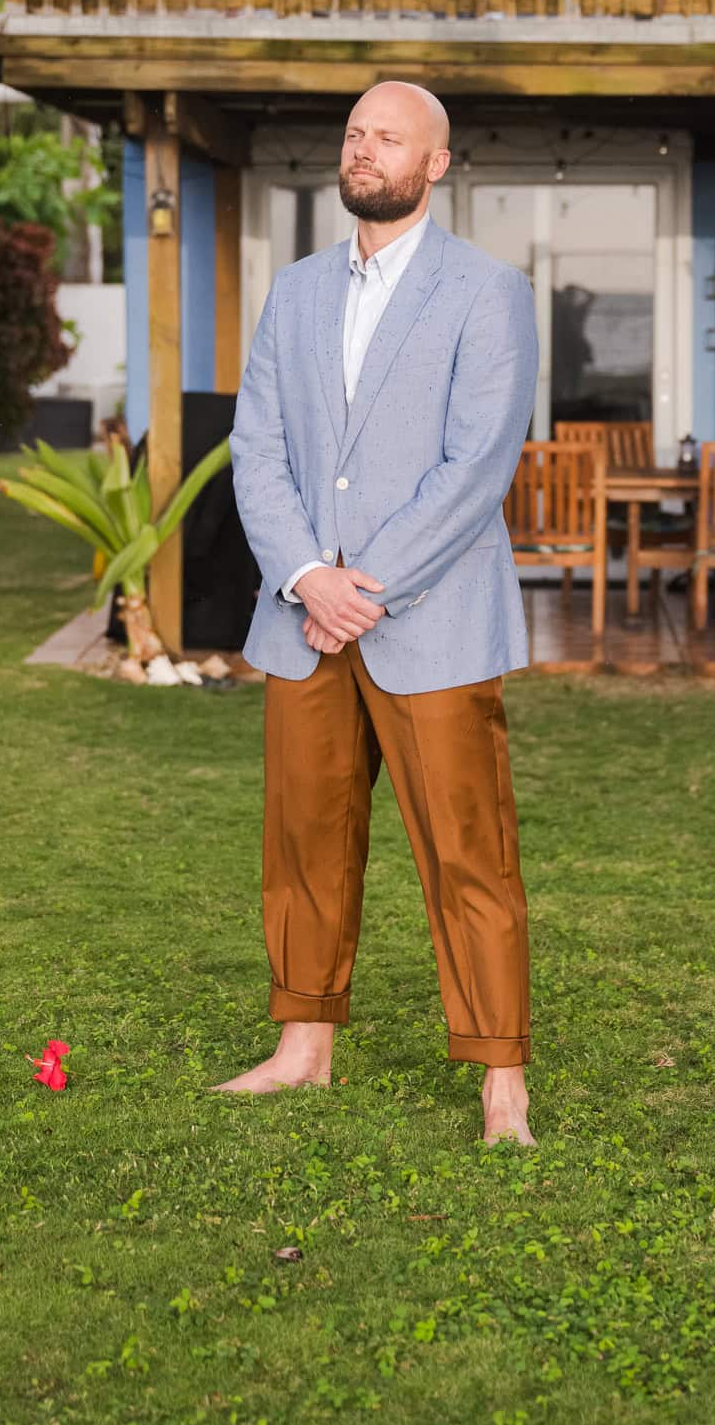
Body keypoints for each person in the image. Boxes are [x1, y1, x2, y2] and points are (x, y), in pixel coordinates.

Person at [214, 81, 540, 1144]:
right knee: (304, 842)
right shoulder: (296, 290)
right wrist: (308, 575)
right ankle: (304, 1044)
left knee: (468, 854)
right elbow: (256, 446)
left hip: (430, 620)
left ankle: (500, 1075)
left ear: (436, 164)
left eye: (388, 136)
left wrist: (365, 586)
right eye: (354, 132)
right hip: (303, 620)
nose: (364, 148)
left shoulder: (488, 293)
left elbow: (477, 461)